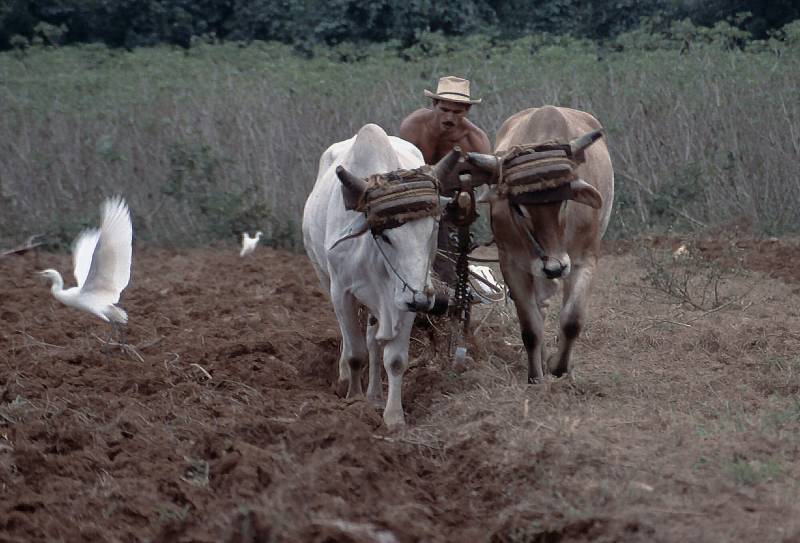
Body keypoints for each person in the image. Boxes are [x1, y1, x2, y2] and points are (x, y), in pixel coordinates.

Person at [399, 76, 491, 286]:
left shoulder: (475, 140)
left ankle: (447, 286)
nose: (449, 117)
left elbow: (489, 181)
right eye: (444, 109)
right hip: (411, 193)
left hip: (452, 202)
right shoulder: (413, 126)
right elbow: (401, 166)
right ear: (434, 105)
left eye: (457, 112)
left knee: (447, 252)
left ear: (467, 110)